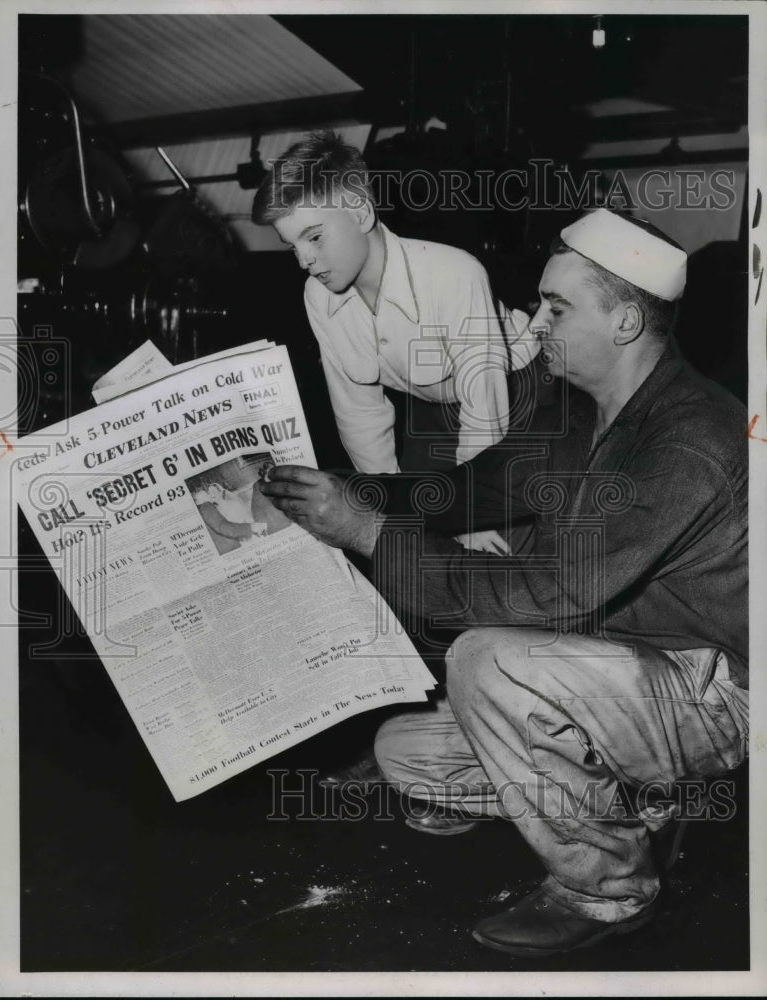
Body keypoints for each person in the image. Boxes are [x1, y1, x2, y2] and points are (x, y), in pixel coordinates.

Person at [259, 209, 749, 955]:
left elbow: (556, 593)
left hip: (713, 693)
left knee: (484, 659)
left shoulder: (691, 438)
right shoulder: (579, 416)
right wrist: (344, 492)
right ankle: (639, 798)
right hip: (615, 676)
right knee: (406, 755)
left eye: (558, 308)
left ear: (623, 321)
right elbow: (466, 493)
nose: (536, 322)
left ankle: (608, 888)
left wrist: (363, 534)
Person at [251, 129, 538, 553]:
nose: (304, 260)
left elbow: (485, 410)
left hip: (520, 393)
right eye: (291, 245)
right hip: (435, 403)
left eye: (314, 237)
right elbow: (359, 414)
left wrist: (472, 515)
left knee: (498, 547)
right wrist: (389, 508)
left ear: (362, 214)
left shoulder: (456, 273)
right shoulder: (318, 295)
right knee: (413, 534)